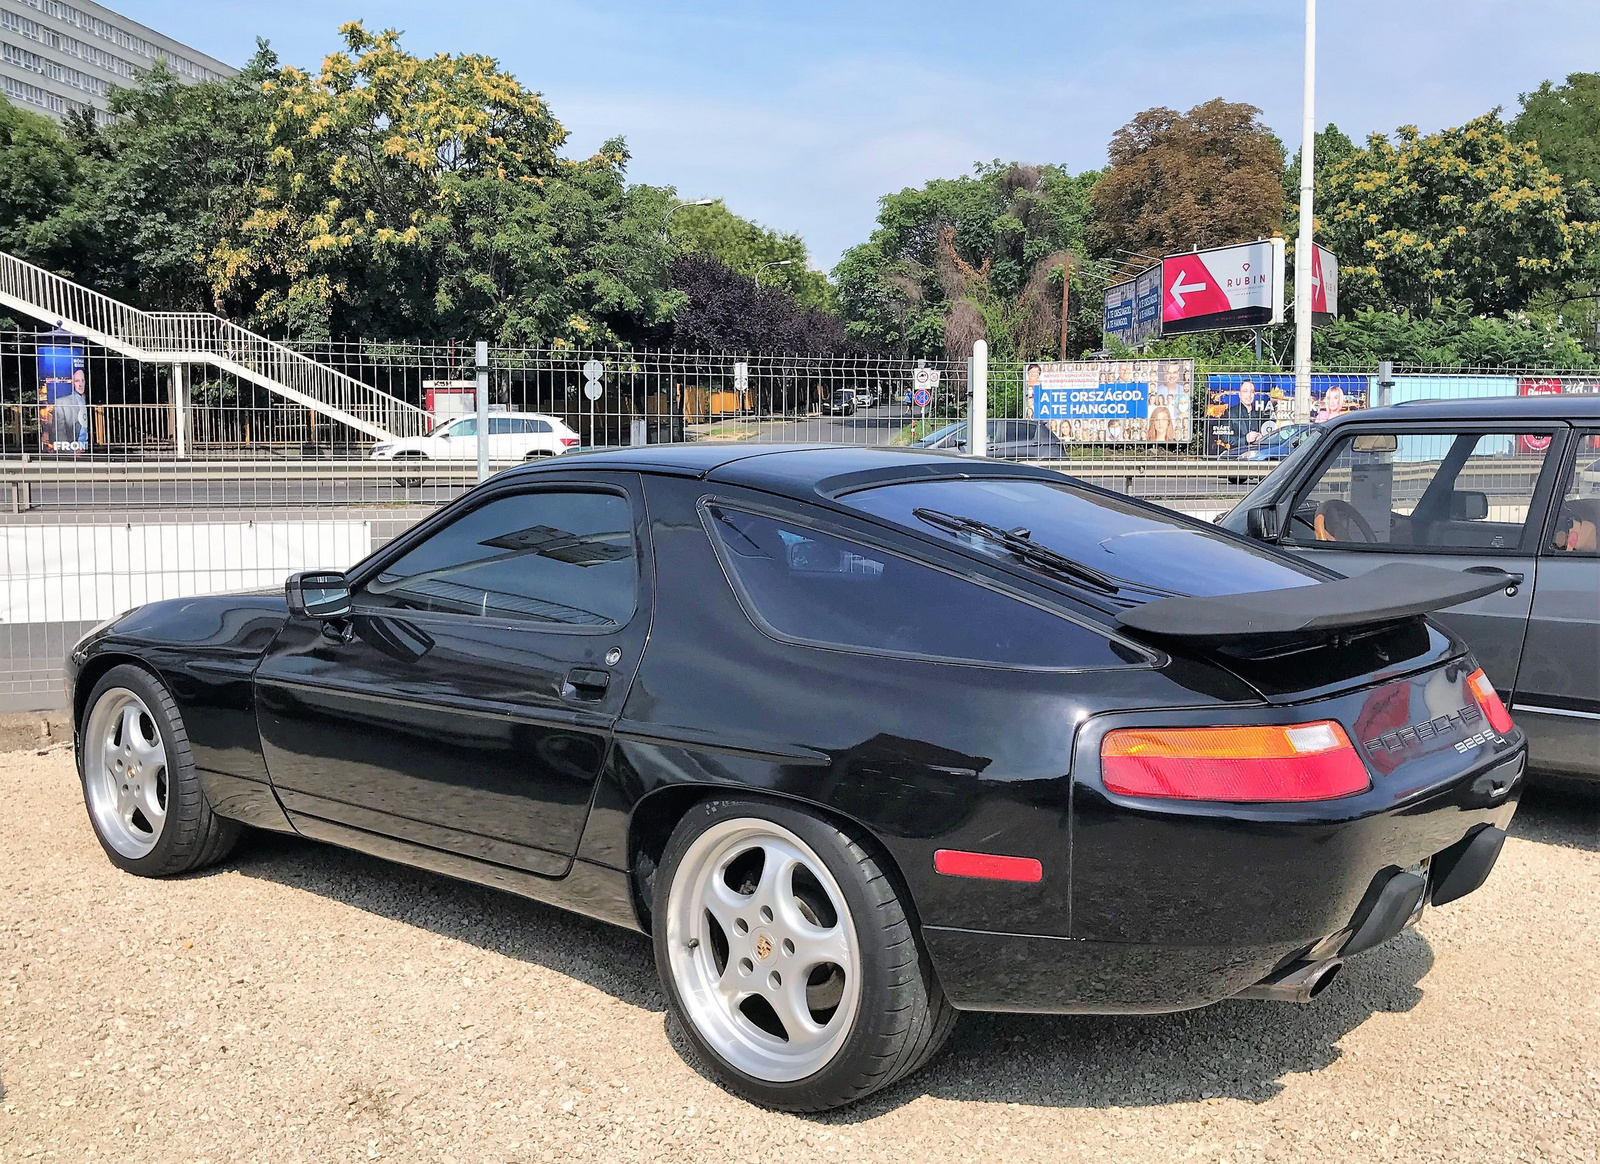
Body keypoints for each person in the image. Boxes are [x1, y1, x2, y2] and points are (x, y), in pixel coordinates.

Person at [1212, 380, 1265, 454]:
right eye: (1245, 391)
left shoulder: (1260, 414)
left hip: (1258, 455)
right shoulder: (1230, 413)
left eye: (1252, 391)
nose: (1249, 395)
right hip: (1237, 456)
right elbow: (1224, 437)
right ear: (1240, 394)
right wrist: (1245, 439)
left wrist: (1262, 438)